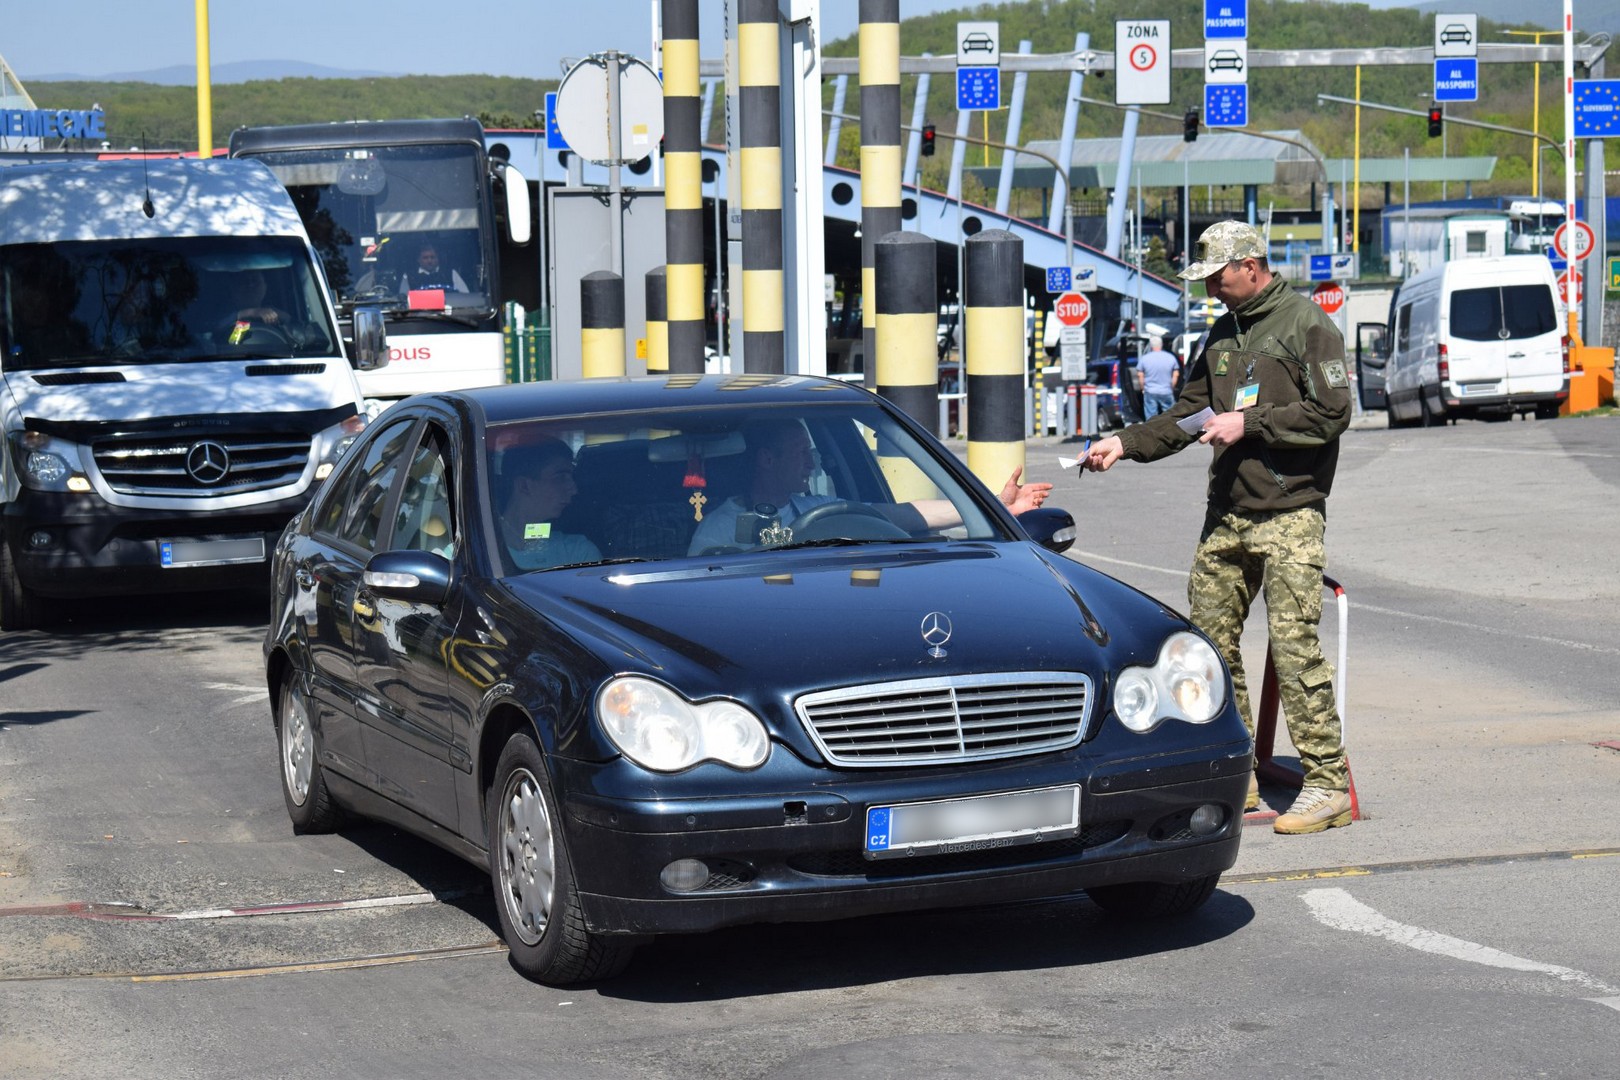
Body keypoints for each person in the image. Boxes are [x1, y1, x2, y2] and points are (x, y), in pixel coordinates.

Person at [1082, 220, 1353, 836]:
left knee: (1293, 648)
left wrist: (1250, 424)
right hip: (1226, 515)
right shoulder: (1222, 331)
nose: (1211, 288)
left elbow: (1333, 413)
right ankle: (1240, 778)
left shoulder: (1306, 324)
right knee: (1205, 649)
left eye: (1218, 276)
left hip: (1290, 514)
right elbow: (1188, 413)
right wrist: (1123, 443)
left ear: (1251, 266)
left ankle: (1327, 782)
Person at [687, 418, 1051, 555]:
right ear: (767, 459)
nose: (811, 463)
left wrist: (992, 507)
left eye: (812, 452)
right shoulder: (718, 527)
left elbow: (905, 515)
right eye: (800, 453)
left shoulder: (820, 509)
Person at [495, 437, 601, 571]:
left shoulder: (577, 551)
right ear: (524, 486)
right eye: (560, 478)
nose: (573, 489)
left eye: (571, 478)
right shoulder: (479, 548)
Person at [1135, 335, 1180, 418]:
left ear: (1151, 346)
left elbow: (1140, 376)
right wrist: (1171, 387)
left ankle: (1152, 430)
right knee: (1170, 415)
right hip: (1166, 391)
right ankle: (1169, 429)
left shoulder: (1144, 359)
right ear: (1161, 344)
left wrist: (1143, 388)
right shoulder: (1171, 358)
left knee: (1151, 417)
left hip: (1150, 391)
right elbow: (1175, 375)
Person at [401, 241, 468, 294]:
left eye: (432, 257)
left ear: (438, 258)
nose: (429, 260)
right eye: (425, 258)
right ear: (418, 260)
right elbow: (403, 299)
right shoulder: (409, 276)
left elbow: (465, 295)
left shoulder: (450, 273)